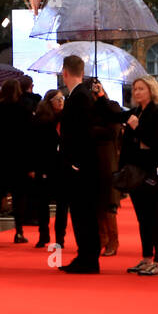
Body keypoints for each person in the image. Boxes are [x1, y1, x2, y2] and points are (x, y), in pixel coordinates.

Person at [121, 75, 158, 276]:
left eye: (141, 88)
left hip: (150, 171)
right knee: (142, 217)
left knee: (154, 216)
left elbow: (154, 142)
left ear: (151, 90)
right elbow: (129, 143)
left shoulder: (157, 113)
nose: (137, 92)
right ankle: (146, 257)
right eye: (135, 89)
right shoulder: (135, 112)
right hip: (134, 171)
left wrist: (136, 128)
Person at [58, 55, 100, 273]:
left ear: (65, 72)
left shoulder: (80, 96)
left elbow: (83, 133)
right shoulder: (80, 95)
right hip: (79, 164)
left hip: (80, 167)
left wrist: (76, 163)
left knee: (83, 213)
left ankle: (88, 258)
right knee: (81, 212)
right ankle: (85, 256)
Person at [0, 78, 32, 246]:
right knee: (19, 196)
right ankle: (18, 231)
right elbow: (28, 138)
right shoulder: (23, 111)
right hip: (18, 159)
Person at [91, 79, 126, 256]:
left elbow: (112, 131)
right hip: (92, 158)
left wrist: (91, 130)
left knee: (108, 201)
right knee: (96, 201)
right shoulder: (89, 108)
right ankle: (102, 238)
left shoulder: (111, 106)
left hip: (107, 158)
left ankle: (113, 240)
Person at [29, 90, 65, 248]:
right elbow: (34, 146)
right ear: (50, 101)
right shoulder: (41, 121)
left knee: (62, 203)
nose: (61, 102)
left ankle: (60, 237)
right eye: (58, 99)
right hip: (44, 165)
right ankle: (43, 234)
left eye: (62, 99)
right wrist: (33, 167)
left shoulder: (65, 118)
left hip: (62, 166)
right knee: (43, 202)